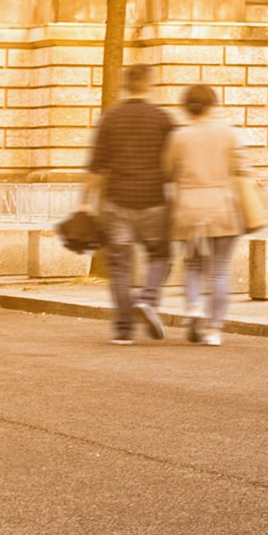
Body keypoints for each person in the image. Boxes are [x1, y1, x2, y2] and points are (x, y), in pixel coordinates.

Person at [87, 64, 180, 344]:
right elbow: (173, 162)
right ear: (149, 84)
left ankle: (124, 331)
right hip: (153, 200)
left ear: (126, 85)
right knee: (161, 255)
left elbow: (96, 166)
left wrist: (84, 203)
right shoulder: (163, 118)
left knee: (119, 267)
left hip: (117, 200)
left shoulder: (111, 118)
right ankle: (148, 299)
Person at [165, 84, 253, 346]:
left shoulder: (179, 137)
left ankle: (193, 307)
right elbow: (244, 167)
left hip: (189, 208)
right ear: (212, 104)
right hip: (222, 207)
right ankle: (214, 329)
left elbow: (167, 171)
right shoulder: (227, 134)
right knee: (218, 271)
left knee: (192, 265)